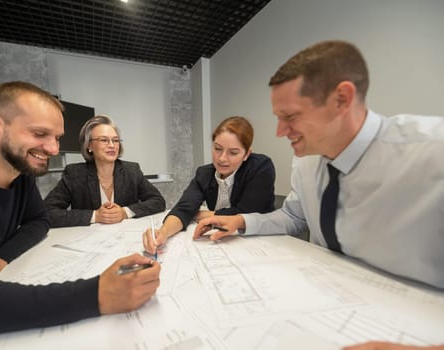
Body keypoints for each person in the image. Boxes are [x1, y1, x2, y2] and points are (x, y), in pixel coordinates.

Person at [194, 41, 444, 350]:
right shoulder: (306, 161)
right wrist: (242, 222)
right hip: (324, 307)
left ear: (341, 99)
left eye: (291, 116)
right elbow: (294, 216)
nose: (279, 131)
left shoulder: (434, 153)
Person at [0, 81, 160, 348]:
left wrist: (0, 258)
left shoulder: (21, 178)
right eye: (39, 133)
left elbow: (39, 220)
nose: (54, 149)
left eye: (56, 138)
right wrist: (97, 295)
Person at [143, 116, 276, 255]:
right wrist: (163, 233)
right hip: (222, 242)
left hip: (260, 241)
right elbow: (184, 209)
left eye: (233, 152)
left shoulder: (260, 167)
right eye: (217, 148)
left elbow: (249, 213)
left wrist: (203, 214)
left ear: (246, 154)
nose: (222, 158)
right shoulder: (204, 173)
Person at [44, 115, 166, 227]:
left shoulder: (132, 170)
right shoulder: (74, 173)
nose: (112, 145)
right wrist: (95, 216)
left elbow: (158, 201)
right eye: (104, 140)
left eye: (116, 140)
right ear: (89, 145)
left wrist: (125, 212)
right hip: (88, 243)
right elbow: (47, 212)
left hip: (125, 239)